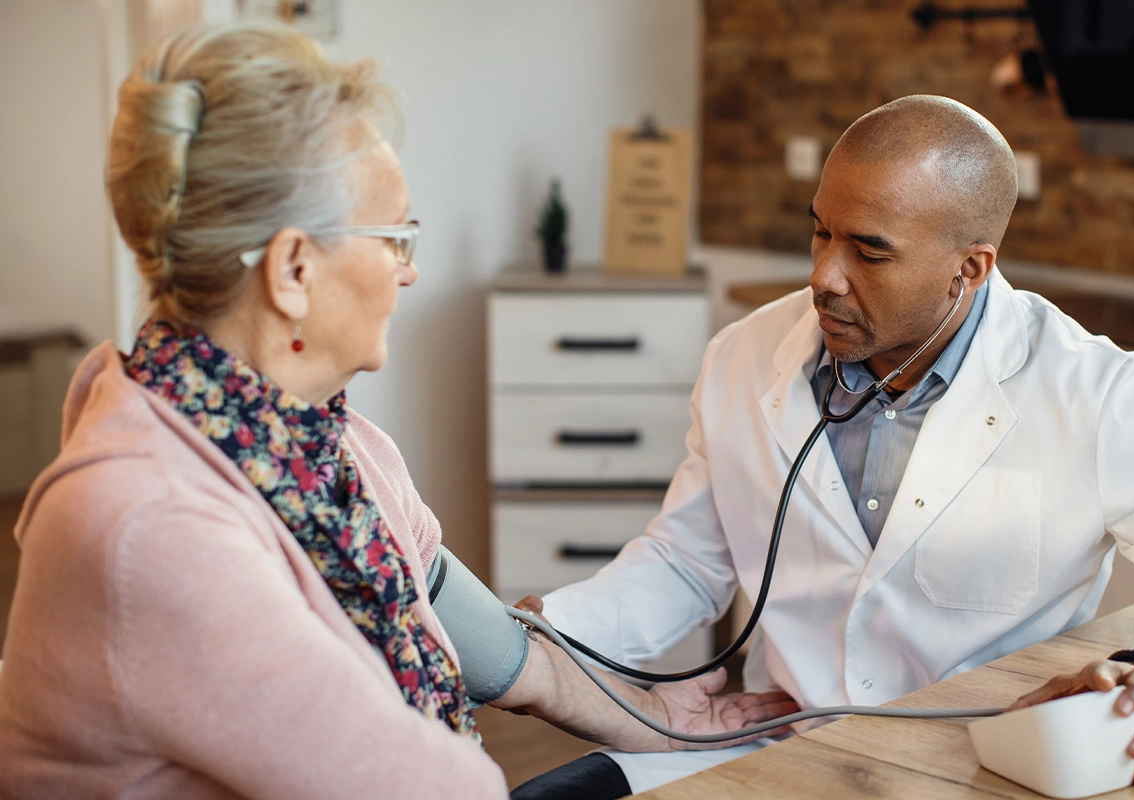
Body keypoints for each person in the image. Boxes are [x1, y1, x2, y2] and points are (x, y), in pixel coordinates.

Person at [0, 24, 793, 799]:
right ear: (295, 269)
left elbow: (490, 643)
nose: (409, 274)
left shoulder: (333, 445)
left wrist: (646, 715)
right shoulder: (151, 527)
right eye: (396, 239)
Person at [526, 95, 1134, 796]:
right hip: (773, 747)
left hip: (978, 773)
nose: (825, 278)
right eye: (821, 233)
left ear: (970, 269)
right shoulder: (745, 355)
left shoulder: (1091, 394)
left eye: (869, 251)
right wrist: (540, 641)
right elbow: (684, 563)